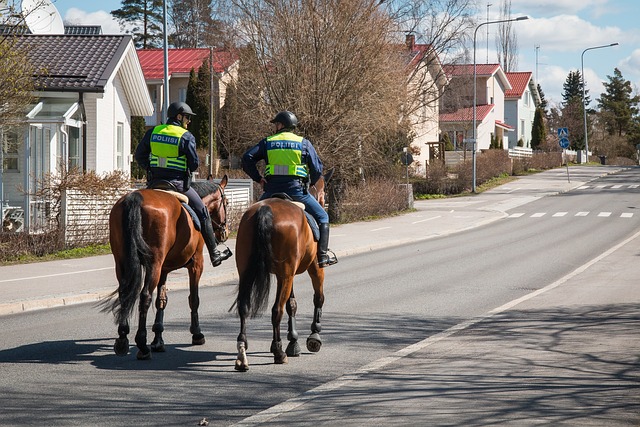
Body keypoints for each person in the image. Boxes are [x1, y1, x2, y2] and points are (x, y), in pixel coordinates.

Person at [134, 101, 231, 268]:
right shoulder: (185, 136)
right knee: (202, 211)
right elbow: (193, 164)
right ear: (179, 117)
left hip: (154, 183)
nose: (189, 121)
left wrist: (150, 167)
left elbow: (139, 155)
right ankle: (214, 253)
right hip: (178, 185)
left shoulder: (153, 132)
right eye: (187, 118)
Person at [242, 110, 337, 267]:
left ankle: (250, 256)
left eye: (276, 124)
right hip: (297, 193)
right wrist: (311, 182)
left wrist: (258, 178)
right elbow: (317, 169)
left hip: (270, 192)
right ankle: (322, 256)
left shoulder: (267, 142)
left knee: (251, 219)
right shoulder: (303, 143)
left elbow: (247, 158)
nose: (275, 127)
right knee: (323, 217)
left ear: (280, 125)